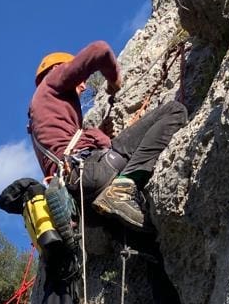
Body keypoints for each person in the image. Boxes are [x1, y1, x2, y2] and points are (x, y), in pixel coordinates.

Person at [28, 42, 188, 229]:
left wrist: (99, 133)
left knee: (148, 234)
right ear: (57, 68)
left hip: (81, 203)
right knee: (174, 110)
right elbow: (100, 50)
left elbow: (66, 146)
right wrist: (114, 80)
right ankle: (124, 186)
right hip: (88, 173)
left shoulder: (39, 116)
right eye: (81, 80)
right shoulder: (52, 80)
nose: (84, 86)